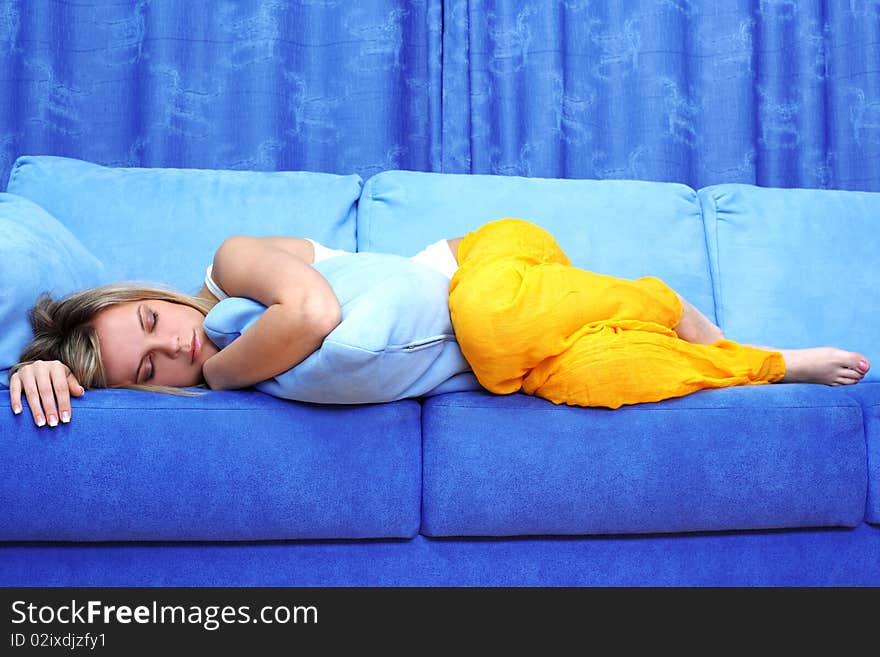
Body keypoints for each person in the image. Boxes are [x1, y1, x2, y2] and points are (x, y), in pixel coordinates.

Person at [7, 219, 871, 427]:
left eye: (155, 320)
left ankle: (664, 302)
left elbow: (315, 309)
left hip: (483, 269)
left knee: (491, 324)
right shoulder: (201, 392)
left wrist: (222, 373)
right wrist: (28, 371)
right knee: (596, 384)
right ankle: (769, 364)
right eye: (151, 370)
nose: (178, 346)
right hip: (505, 357)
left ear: (151, 291)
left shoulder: (230, 268)